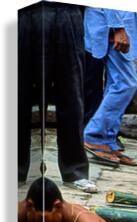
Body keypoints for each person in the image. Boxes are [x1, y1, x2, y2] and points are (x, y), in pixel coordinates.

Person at [18, 3, 95, 193]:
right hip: (25, 13)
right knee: (18, 96)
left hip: (67, 13)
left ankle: (75, 171)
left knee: (71, 96)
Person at [82, 8, 137, 167]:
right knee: (127, 83)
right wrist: (118, 28)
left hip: (114, 24)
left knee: (115, 84)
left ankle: (107, 141)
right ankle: (93, 135)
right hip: (113, 25)